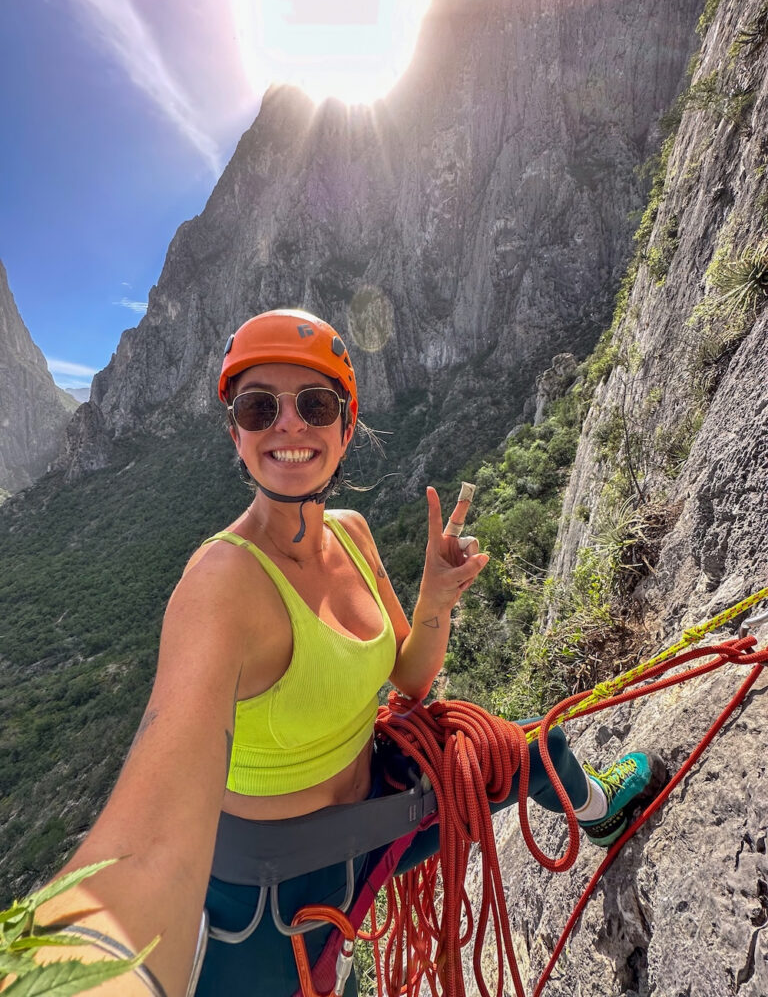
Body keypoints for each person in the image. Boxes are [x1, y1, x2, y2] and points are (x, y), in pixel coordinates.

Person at [33, 309, 664, 997]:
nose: (290, 424)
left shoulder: (355, 534)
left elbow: (412, 680)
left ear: (344, 423)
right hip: (266, 904)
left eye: (315, 403)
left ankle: (603, 810)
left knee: (535, 750)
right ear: (234, 432)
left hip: (377, 819)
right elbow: (144, 845)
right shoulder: (221, 585)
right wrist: (72, 966)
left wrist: (434, 598)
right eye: (258, 406)